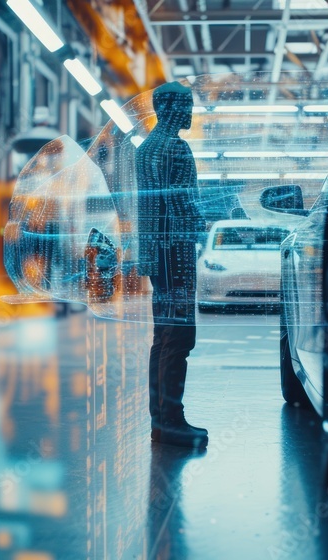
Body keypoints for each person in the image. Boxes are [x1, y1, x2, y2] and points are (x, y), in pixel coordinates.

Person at [136, 82, 208, 448]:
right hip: (176, 252)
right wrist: (203, 224)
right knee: (180, 337)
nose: (191, 112)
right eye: (187, 104)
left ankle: (160, 419)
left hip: (155, 255)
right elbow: (182, 204)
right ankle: (173, 422)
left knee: (162, 338)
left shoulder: (145, 149)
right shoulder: (176, 149)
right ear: (170, 108)